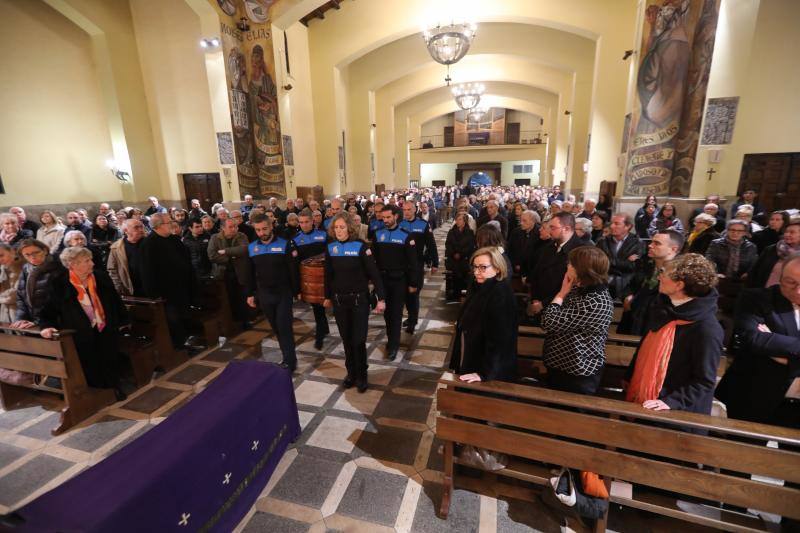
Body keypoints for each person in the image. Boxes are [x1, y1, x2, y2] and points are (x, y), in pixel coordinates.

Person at [625, 254, 723, 414]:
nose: (659, 277)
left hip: (677, 412)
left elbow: (704, 381)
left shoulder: (706, 328)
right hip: (647, 401)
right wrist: (630, 377)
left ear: (679, 285)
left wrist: (671, 401)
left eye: (664, 273)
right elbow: (646, 346)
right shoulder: (665, 308)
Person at [715, 254, 800, 428]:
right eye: (791, 282)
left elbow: (764, 342)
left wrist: (778, 348)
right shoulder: (757, 298)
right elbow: (752, 338)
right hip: (753, 395)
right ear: (780, 277)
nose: (798, 290)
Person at [38, 246, 131, 400]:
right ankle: (97, 390)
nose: (92, 264)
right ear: (72, 264)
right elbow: (47, 310)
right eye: (86, 261)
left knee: (110, 358)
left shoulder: (100, 277)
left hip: (105, 326)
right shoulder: (59, 283)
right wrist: (46, 326)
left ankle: (113, 387)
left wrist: (124, 319)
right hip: (80, 332)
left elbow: (115, 300)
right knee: (90, 361)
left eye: (90, 260)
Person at [323, 213, 386, 392]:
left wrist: (381, 298)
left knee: (358, 340)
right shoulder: (331, 247)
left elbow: (374, 274)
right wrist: (327, 296)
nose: (339, 231)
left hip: (359, 300)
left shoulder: (361, 247)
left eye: (342, 227)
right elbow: (328, 275)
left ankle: (362, 375)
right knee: (346, 339)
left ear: (350, 228)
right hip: (340, 301)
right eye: (336, 228)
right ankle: (351, 373)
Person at [541, 247, 614, 394]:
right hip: (559, 365)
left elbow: (548, 321)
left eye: (571, 264)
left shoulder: (595, 302)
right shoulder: (578, 288)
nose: (567, 266)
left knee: (570, 415)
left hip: (579, 372)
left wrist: (561, 294)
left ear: (582, 270)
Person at [450, 247, 518, 383]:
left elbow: (500, 340)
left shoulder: (500, 294)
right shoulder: (481, 286)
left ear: (498, 268)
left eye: (482, 267)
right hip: (473, 355)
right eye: (475, 267)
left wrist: (485, 373)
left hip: (487, 370)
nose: (476, 272)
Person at [246, 212, 300, 371]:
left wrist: (297, 291)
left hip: (283, 292)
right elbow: (249, 273)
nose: (262, 233)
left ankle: (290, 361)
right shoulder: (252, 247)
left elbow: (293, 270)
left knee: (284, 327)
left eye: (264, 229)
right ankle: (286, 355)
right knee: (276, 327)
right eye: (258, 230)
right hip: (264, 294)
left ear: (271, 227)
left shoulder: (285, 244)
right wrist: (250, 293)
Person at [139, 213, 194, 349]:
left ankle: (187, 342)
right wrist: (154, 293)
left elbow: (185, 259)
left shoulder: (173, 239)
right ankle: (179, 347)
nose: (172, 225)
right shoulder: (149, 244)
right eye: (169, 222)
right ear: (158, 226)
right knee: (173, 320)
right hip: (166, 292)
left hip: (181, 287)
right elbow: (147, 271)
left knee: (184, 316)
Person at [372, 205, 418, 361]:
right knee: (386, 313)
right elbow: (375, 261)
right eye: (383, 217)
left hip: (399, 280)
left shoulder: (406, 235)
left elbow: (413, 262)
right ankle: (391, 339)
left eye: (388, 217)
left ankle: (393, 345)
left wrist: (413, 283)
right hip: (383, 280)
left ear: (396, 217)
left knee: (396, 313)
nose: (385, 220)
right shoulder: (378, 235)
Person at [618, 230, 684, 336]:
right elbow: (632, 285)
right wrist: (627, 297)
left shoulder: (680, 273)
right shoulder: (645, 264)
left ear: (673, 249)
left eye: (657, 243)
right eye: (652, 242)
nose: (650, 246)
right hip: (635, 317)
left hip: (657, 325)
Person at [529, 213, 591, 317]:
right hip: (539, 305)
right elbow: (536, 273)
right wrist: (535, 299)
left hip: (562, 309)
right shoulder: (548, 247)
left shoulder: (581, 251)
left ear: (566, 229)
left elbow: (572, 285)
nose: (549, 231)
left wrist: (543, 304)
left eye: (553, 228)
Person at [292, 209, 330, 349]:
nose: (304, 225)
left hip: (324, 277)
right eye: (301, 222)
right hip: (309, 280)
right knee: (316, 307)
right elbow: (296, 263)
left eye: (307, 222)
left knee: (323, 305)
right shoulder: (295, 239)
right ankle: (321, 333)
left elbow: (330, 254)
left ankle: (323, 329)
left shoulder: (323, 235)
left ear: (312, 221)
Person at [400, 200, 438, 334]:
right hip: (402, 265)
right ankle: (410, 317)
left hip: (417, 264)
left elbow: (431, 244)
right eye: (404, 210)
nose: (406, 212)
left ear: (415, 210)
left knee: (414, 294)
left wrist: (435, 263)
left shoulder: (422, 224)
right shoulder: (400, 224)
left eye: (409, 209)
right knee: (405, 294)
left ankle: (413, 320)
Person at [209, 218, 251, 330]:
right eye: (231, 227)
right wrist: (232, 258)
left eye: (236, 226)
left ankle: (245, 321)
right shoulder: (215, 238)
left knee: (243, 297)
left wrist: (226, 252)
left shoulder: (241, 236)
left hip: (240, 272)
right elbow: (212, 255)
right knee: (229, 298)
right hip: (224, 273)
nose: (234, 229)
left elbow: (245, 249)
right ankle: (232, 322)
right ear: (223, 228)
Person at [12, 239, 65, 328]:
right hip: (32, 321)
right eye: (27, 255)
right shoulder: (26, 269)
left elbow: (55, 302)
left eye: (36, 252)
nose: (32, 257)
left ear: (45, 250)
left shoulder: (58, 268)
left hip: (53, 322)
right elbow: (21, 297)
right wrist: (21, 318)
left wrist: (39, 322)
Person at [596, 213, 643, 298]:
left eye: (616, 223)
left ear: (628, 226)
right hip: (603, 285)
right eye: (612, 223)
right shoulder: (602, 242)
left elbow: (633, 266)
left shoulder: (637, 243)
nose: (612, 226)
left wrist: (610, 262)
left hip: (625, 286)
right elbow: (598, 264)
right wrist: (626, 262)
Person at [748, 220, 800, 288]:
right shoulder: (771, 249)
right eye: (786, 232)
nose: (787, 234)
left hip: (791, 294)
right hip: (765, 292)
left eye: (792, 232)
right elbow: (755, 272)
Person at [107, 219, 146, 296]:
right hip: (129, 288)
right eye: (136, 227)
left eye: (142, 227)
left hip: (150, 286)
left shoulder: (150, 243)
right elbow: (112, 269)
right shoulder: (116, 247)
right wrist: (118, 288)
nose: (141, 230)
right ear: (126, 230)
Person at [444, 213, 476, 302]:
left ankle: (462, 292)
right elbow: (448, 244)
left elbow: (470, 246)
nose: (457, 221)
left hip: (464, 258)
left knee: (463, 272)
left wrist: (460, 254)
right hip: (453, 258)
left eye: (460, 219)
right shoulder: (451, 231)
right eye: (457, 219)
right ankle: (455, 293)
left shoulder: (470, 232)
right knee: (455, 272)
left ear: (464, 221)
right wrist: (454, 253)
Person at [507, 210, 540, 277]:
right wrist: (515, 264)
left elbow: (538, 255)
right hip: (515, 268)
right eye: (521, 220)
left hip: (531, 271)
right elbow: (509, 249)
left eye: (524, 221)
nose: (521, 223)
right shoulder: (516, 232)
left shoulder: (540, 233)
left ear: (533, 221)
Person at [0, 243, 22, 322]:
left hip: (21, 312)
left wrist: (2, 297)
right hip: (5, 313)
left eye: (1, 255)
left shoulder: (23, 267)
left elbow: (13, 296)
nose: (0, 260)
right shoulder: (3, 269)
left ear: (12, 252)